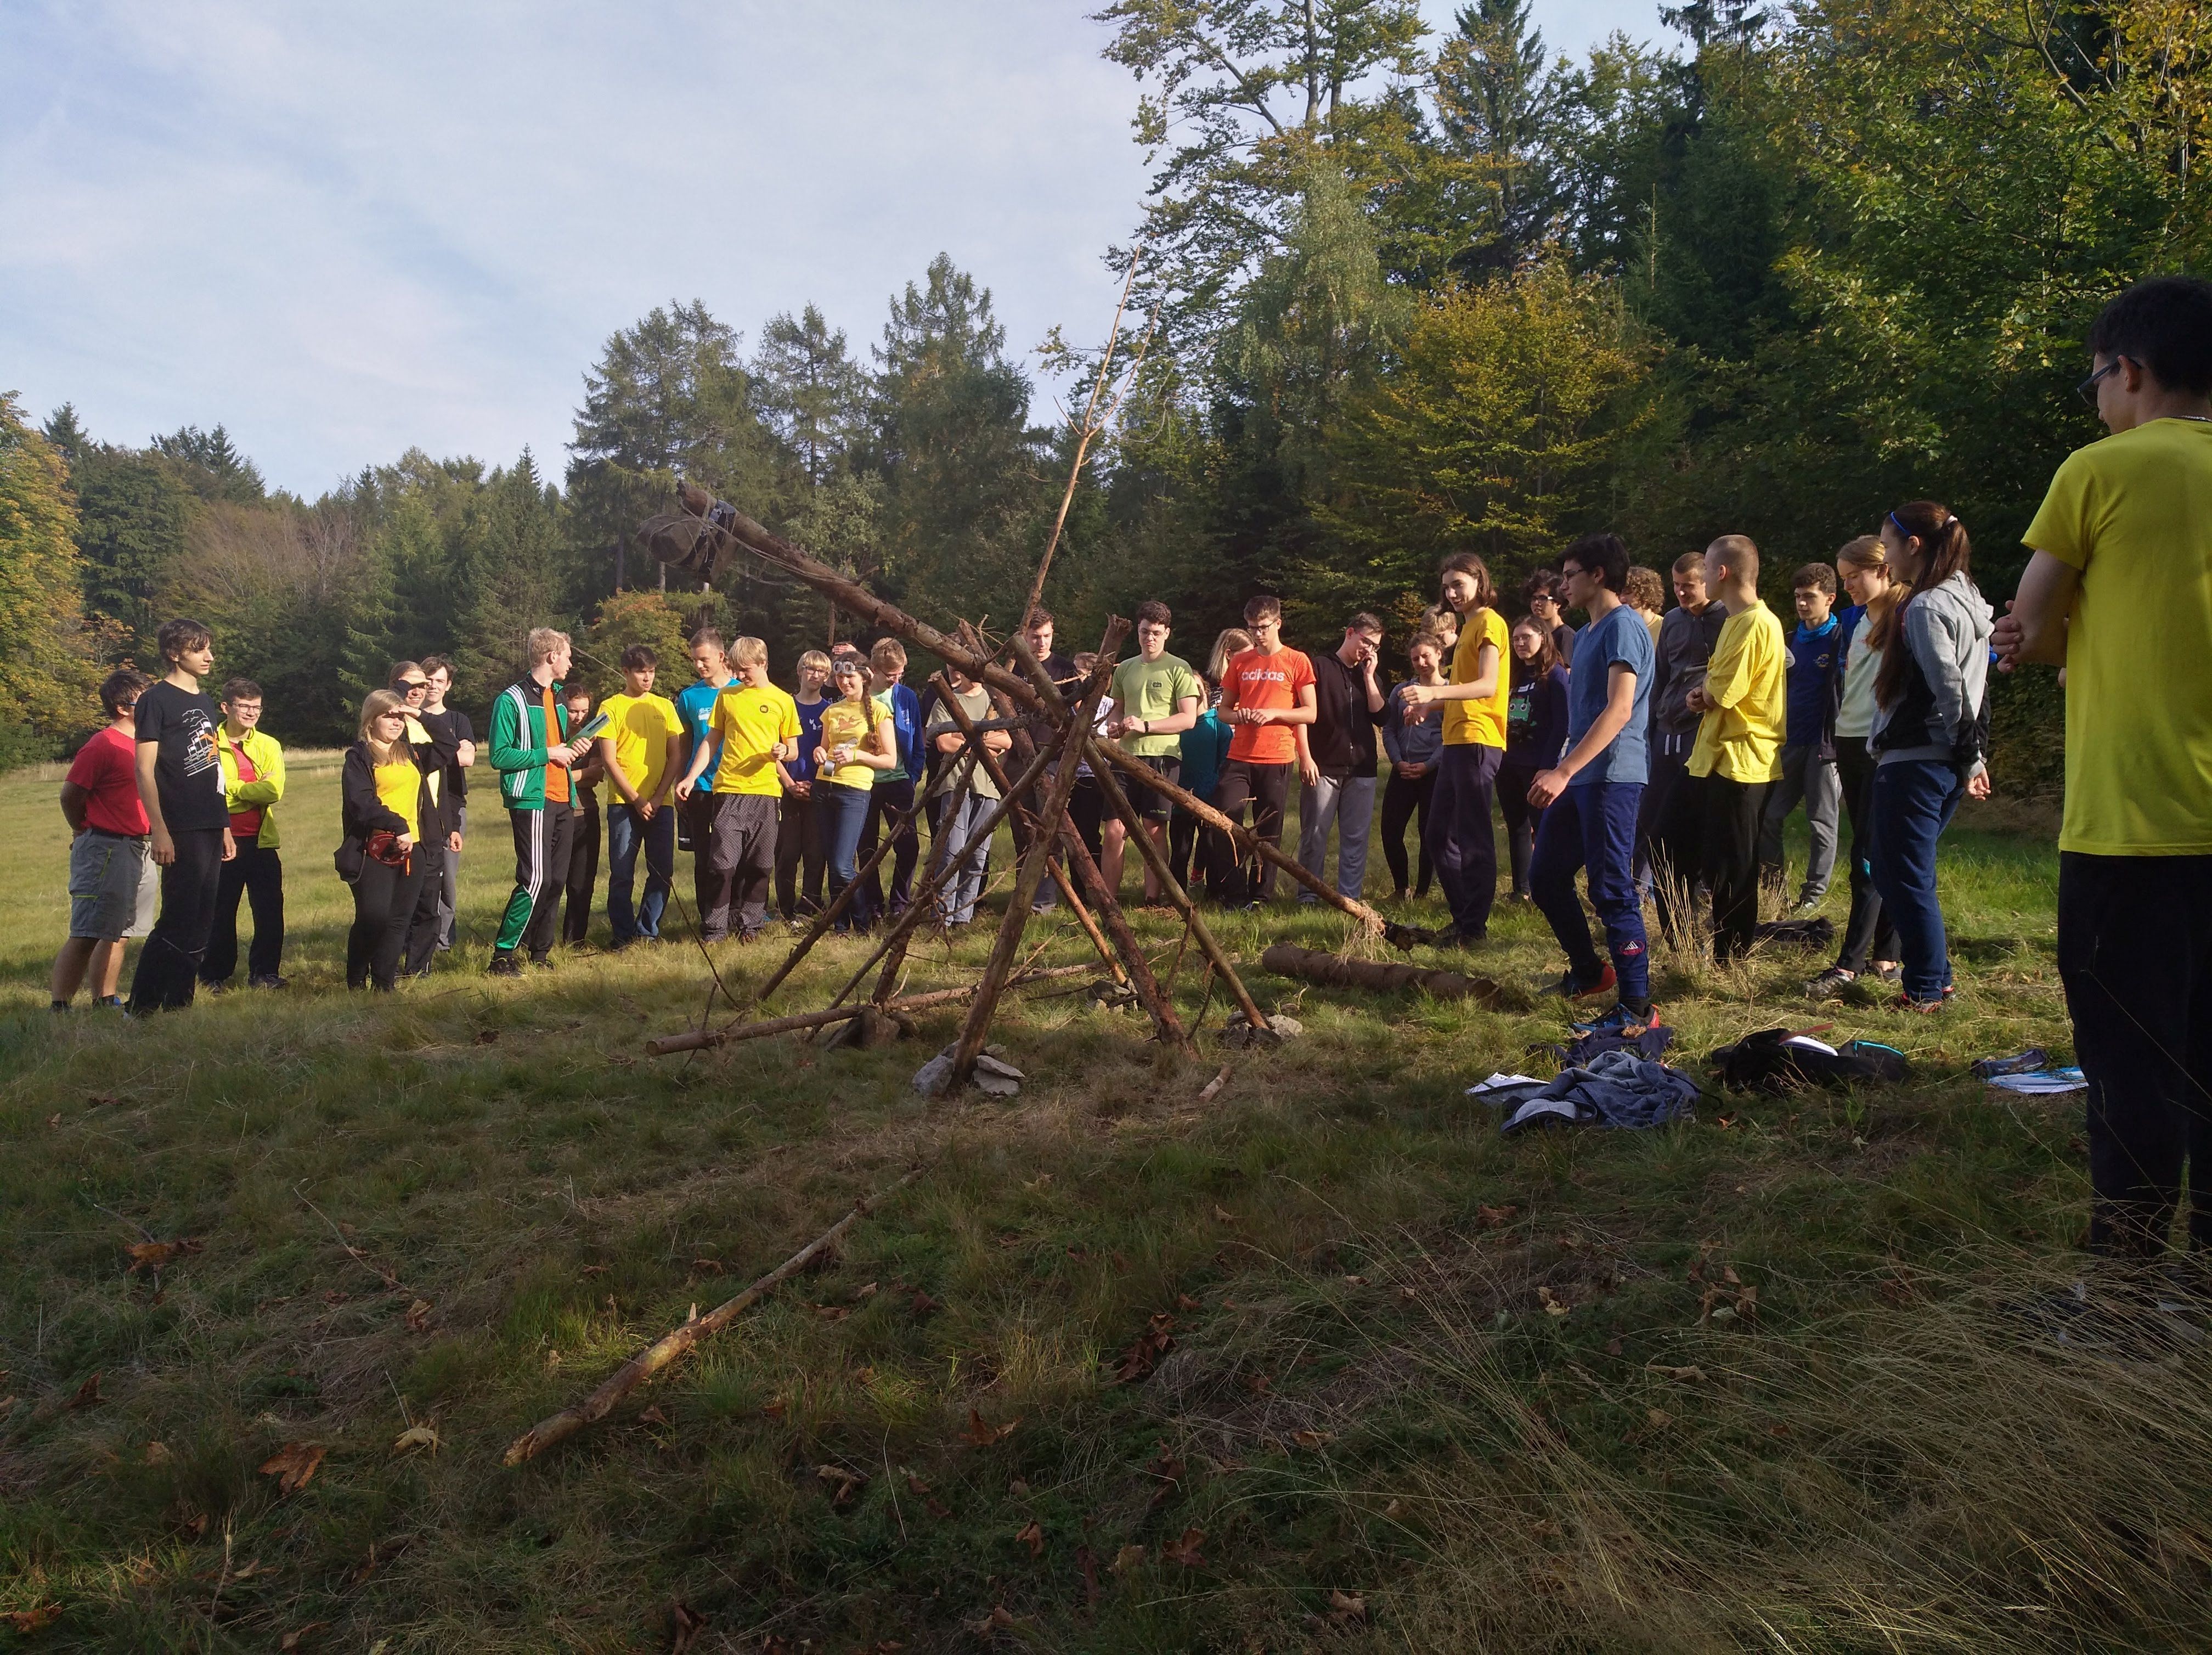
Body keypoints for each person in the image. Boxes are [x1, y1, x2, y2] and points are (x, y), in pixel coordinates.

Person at [1996, 273, 2212, 1260]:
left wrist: (2050, 631)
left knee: (2132, 1071)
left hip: (2132, 826)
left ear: (2128, 371)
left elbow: (2027, 631)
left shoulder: (2101, 470)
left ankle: (2122, 1308)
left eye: (2094, 379)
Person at [1526, 532, 1657, 1027]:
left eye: (1570, 575)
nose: (1563, 585)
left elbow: (1620, 709)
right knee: (1545, 878)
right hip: (1580, 775)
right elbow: (1581, 716)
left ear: (1598, 575)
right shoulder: (1584, 634)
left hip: (1613, 777)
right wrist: (1560, 764)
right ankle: (1589, 972)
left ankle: (1636, 1006)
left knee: (1611, 890)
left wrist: (1564, 770)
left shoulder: (1624, 626)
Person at [1868, 502, 1992, 1012]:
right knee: (1904, 871)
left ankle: (1923, 988)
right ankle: (1934, 979)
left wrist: (1972, 760)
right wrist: (1972, 758)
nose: (1886, 558)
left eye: (1889, 546)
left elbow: (1952, 690)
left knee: (1901, 874)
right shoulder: (1969, 600)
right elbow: (1975, 692)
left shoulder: (1925, 607)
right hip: (1940, 760)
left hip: (1920, 761)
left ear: (1913, 545)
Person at [1658, 536, 1786, 962]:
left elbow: (1723, 691)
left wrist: (1702, 695)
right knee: (1666, 842)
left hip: (1742, 761)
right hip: (1708, 755)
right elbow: (1714, 686)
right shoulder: (1736, 620)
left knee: (1733, 867)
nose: (1702, 577)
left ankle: (1729, 962)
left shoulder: (1756, 622)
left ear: (1723, 573)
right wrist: (1703, 694)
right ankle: (1682, 944)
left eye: (1707, 570)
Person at [1806, 536, 1903, 1000]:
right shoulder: (1859, 618)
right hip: (1848, 740)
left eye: (1853, 577)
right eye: (1842, 579)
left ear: (1884, 570)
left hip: (1881, 747)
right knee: (1872, 850)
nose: (1847, 587)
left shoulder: (1909, 618)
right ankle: (1886, 956)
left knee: (1869, 855)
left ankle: (1852, 964)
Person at [1398, 554, 1509, 947]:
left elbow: (1488, 687)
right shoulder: (1468, 627)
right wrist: (1431, 705)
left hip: (1479, 740)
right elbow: (1464, 691)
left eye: (1459, 584)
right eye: (1447, 586)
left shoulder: (1491, 623)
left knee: (1473, 836)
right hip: (1456, 740)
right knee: (1438, 833)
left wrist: (1433, 691)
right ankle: (1464, 919)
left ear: (1480, 580)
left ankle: (1474, 929)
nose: (1452, 593)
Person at [127, 617, 236, 1013]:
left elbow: (213, 765)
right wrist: (160, 830)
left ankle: (179, 1001)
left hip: (209, 821)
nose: (209, 656)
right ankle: (142, 1004)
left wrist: (223, 823)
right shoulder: (155, 700)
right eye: (198, 649)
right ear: (175, 654)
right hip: (179, 824)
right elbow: (144, 769)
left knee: (204, 916)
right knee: (178, 915)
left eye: (209, 647)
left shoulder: (204, 700)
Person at [673, 635, 799, 942]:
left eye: (746, 670)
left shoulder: (783, 700)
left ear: (763, 664)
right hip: (728, 791)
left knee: (760, 865)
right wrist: (690, 777)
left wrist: (783, 752)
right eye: (737, 670)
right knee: (721, 864)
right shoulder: (728, 698)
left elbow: (794, 749)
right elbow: (711, 741)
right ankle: (715, 928)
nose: (741, 676)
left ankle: (751, 925)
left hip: (767, 793)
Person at [487, 627, 590, 976]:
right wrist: (548, 753)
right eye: (567, 655)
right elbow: (499, 756)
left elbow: (558, 751)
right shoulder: (511, 700)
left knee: (556, 879)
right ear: (551, 657)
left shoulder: (559, 699)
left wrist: (573, 749)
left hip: (564, 798)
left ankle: (540, 953)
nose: (571, 661)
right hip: (532, 799)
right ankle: (502, 955)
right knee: (534, 879)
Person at [52, 669, 155, 1011]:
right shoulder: (104, 744)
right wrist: (81, 830)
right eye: (146, 699)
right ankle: (60, 1007)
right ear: (123, 707)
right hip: (107, 847)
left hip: (141, 845)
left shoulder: (146, 744)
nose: (155, 705)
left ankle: (104, 1001)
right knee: (88, 931)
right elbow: (70, 796)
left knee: (121, 932)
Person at [339, 689, 451, 991]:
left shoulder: (410, 752)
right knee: (374, 916)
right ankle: (356, 977)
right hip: (375, 849)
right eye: (389, 715)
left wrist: (419, 714)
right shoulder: (359, 756)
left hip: (414, 848)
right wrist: (396, 824)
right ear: (371, 719)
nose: (396, 721)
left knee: (399, 920)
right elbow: (361, 803)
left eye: (399, 716)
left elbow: (448, 745)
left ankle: (384, 985)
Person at [1641, 552, 1728, 939]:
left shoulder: (1731, 619)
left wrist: (1712, 687)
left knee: (1698, 824)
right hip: (1666, 729)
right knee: (1657, 822)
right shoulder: (1673, 622)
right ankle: (1671, 916)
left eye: (1688, 586)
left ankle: (1703, 900)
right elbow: (1661, 674)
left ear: (1706, 582)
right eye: (1676, 585)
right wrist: (1650, 725)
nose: (1680, 593)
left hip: (1702, 730)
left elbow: (1779, 661)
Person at [1215, 596, 1317, 907]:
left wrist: (1273, 713)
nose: (1258, 634)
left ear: (1278, 624)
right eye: (1252, 628)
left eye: (1263, 627)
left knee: (1268, 830)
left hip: (1277, 756)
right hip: (1240, 755)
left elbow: (1310, 713)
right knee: (1226, 817)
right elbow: (1224, 712)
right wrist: (1241, 715)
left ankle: (1260, 896)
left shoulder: (1297, 660)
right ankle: (1233, 894)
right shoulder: (1241, 662)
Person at [1757, 564, 1846, 911]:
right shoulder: (1790, 641)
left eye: (1810, 597)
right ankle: (1774, 891)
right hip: (1789, 742)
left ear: (1830, 599)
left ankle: (1813, 897)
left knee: (1821, 823)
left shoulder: (1841, 639)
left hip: (1825, 745)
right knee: (1769, 817)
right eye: (1798, 597)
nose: (1803, 604)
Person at [1103, 600, 1205, 903]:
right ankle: (1107, 900)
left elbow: (1188, 718)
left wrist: (1146, 726)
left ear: (1167, 633)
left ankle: (1152, 899)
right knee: (1113, 829)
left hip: (1163, 756)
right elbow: (1116, 711)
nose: (1150, 638)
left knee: (1154, 829)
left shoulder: (1179, 668)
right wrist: (1114, 727)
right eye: (1145, 631)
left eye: (1157, 633)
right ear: (1137, 630)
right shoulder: (1125, 668)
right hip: (1124, 755)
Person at [595, 645, 684, 947]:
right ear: (626, 672)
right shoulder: (611, 707)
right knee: (622, 871)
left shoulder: (665, 707)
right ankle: (622, 935)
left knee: (663, 870)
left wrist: (658, 797)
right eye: (641, 672)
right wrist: (636, 799)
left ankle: (647, 931)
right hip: (623, 803)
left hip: (662, 804)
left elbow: (676, 756)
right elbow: (609, 759)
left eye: (652, 672)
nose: (648, 678)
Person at [201, 677, 286, 991]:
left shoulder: (269, 745)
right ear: (226, 707)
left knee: (269, 910)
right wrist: (252, 789)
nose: (252, 713)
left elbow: (273, 790)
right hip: (222, 842)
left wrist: (232, 788)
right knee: (221, 911)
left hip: (261, 841)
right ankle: (214, 976)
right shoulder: (207, 743)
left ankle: (265, 973)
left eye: (257, 707)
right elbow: (210, 792)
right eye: (244, 706)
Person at [1295, 612, 1386, 903]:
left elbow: (1381, 716)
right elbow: (1301, 716)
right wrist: (1306, 758)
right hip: (1323, 765)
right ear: (1350, 633)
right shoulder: (1318, 667)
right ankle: (1309, 894)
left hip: (1362, 768)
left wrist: (1370, 678)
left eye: (1375, 646)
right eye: (1366, 642)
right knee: (1315, 834)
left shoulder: (1367, 675)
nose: (1368, 650)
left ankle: (1349, 897)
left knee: (1355, 838)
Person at [814, 654, 898, 932]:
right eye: (839, 677)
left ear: (864, 677)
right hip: (824, 786)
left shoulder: (879, 711)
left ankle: (863, 922)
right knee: (832, 861)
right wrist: (819, 752)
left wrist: (857, 756)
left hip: (855, 791)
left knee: (842, 864)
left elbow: (890, 760)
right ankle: (840, 925)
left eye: (850, 676)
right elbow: (826, 748)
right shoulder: (832, 711)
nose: (844, 682)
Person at [926, 664, 1011, 927]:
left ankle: (964, 915)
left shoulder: (994, 701)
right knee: (951, 852)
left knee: (977, 856)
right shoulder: (948, 700)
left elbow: (1007, 741)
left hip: (988, 786)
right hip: (955, 784)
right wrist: (985, 744)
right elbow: (943, 742)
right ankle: (943, 914)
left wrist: (965, 739)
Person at [1496, 618, 1570, 902]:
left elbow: (1563, 723)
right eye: (1515, 640)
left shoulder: (1556, 675)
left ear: (1543, 637)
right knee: (1516, 826)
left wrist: (1549, 765)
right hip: (1508, 762)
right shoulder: (1512, 675)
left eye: (1526, 637)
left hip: (1539, 765)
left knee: (1545, 827)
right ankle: (1522, 890)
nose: (1520, 644)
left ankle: (1551, 887)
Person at [1170, 629, 1247, 902]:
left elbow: (1224, 760)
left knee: (1212, 845)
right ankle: (1176, 893)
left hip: (1211, 796)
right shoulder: (1176, 725)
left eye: (1197, 689)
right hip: (1179, 796)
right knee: (1179, 848)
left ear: (1204, 689)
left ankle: (1216, 890)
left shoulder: (1218, 723)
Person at [673, 629, 738, 931]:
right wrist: (681, 780)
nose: (699, 666)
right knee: (705, 856)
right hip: (700, 787)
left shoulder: (742, 691)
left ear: (722, 657)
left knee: (736, 855)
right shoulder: (689, 697)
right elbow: (685, 744)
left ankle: (738, 915)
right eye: (695, 660)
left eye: (704, 659)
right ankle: (708, 917)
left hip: (736, 787)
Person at [858, 638, 924, 922]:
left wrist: (913, 777)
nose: (895, 680)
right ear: (873, 669)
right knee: (867, 846)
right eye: (890, 675)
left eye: (900, 675)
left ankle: (900, 901)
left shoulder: (906, 696)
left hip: (899, 781)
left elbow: (918, 740)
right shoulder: (857, 696)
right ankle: (873, 905)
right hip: (864, 782)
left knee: (909, 846)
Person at [1379, 632, 1446, 903]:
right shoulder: (1401, 691)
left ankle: (1422, 892)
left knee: (1428, 830)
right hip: (1403, 770)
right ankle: (1400, 888)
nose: (1421, 662)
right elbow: (1389, 730)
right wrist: (1398, 762)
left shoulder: (1451, 691)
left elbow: (1451, 736)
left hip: (1434, 772)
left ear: (1439, 654)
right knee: (1390, 828)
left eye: (1426, 656)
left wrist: (1429, 765)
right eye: (1415, 658)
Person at [417, 655, 474, 952]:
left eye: (440, 681)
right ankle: (415, 938)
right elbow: (458, 754)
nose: (433, 687)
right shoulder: (407, 718)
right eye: (428, 681)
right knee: (417, 874)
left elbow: (468, 758)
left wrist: (428, 752)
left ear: (449, 685)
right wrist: (449, 748)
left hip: (452, 805)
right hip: (414, 804)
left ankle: (443, 941)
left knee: (447, 878)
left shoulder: (457, 720)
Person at [776, 649, 832, 921]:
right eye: (811, 669)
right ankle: (784, 909)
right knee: (787, 853)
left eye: (822, 671)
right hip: (787, 789)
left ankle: (809, 908)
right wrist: (788, 784)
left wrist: (821, 784)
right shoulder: (784, 705)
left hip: (819, 792)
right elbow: (771, 752)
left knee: (815, 853)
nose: (816, 675)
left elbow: (834, 755)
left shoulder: (830, 711)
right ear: (800, 672)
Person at [560, 684, 606, 948]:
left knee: (582, 882)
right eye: (573, 711)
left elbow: (598, 773)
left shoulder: (594, 738)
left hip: (587, 812)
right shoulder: (552, 735)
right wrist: (582, 775)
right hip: (557, 813)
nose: (578, 717)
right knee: (554, 881)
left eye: (584, 711)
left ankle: (575, 939)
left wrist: (565, 776)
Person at [1525, 569, 1577, 662]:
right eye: (1533, 598)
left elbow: (1566, 674)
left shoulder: (1565, 636)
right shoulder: (1538, 636)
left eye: (1543, 598)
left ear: (1558, 603)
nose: (1537, 603)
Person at [1624, 566, 1668, 644]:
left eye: (1628, 593)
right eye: (1619, 593)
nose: (1621, 599)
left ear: (1646, 593)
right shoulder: (1618, 628)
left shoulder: (1666, 629)